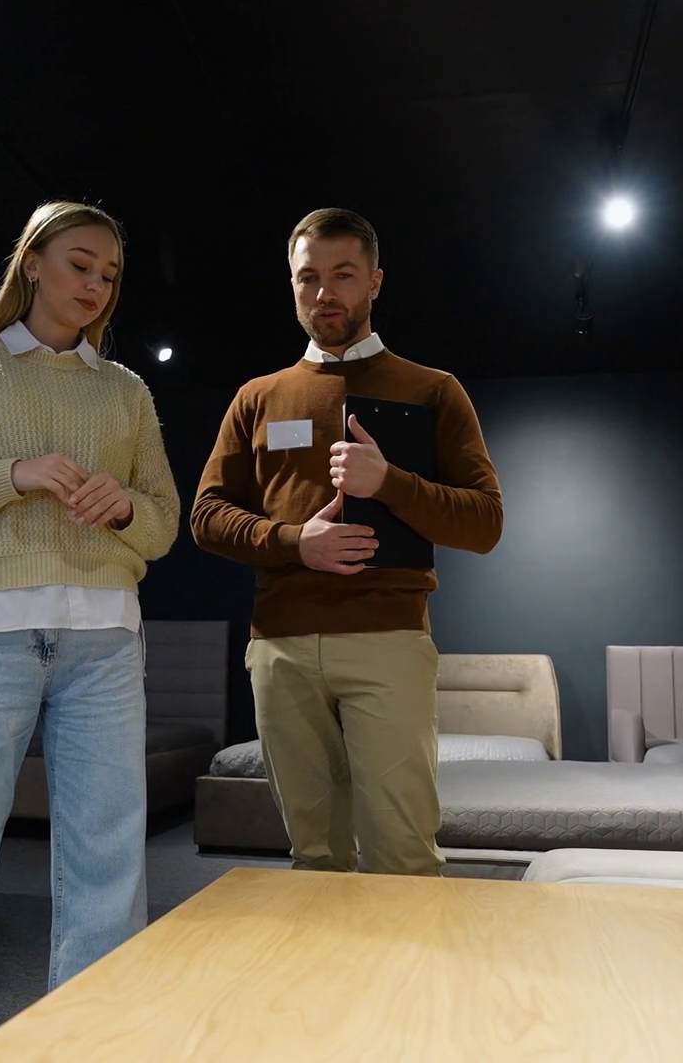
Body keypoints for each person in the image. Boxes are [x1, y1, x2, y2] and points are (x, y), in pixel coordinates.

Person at [0, 200, 180, 1062]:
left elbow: (163, 522)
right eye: (80, 264)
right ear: (33, 263)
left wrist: (122, 506)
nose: (96, 285)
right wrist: (14, 473)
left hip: (107, 642)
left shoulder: (126, 391)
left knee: (108, 882)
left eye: (110, 275)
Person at [190, 207, 503, 877]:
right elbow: (206, 516)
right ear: (292, 284)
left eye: (343, 275)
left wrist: (390, 482)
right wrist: (292, 542)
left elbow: (484, 523)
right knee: (314, 857)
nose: (325, 293)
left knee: (402, 856)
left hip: (387, 640)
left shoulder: (433, 390)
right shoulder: (258, 397)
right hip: (281, 647)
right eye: (309, 277)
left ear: (375, 282)